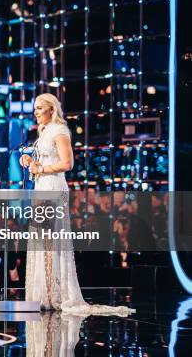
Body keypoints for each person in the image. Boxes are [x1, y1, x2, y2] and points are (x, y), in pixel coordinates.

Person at [19, 93, 133, 315]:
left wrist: (40, 168)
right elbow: (45, 163)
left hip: (53, 188)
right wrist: (32, 163)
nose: (35, 113)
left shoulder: (59, 131)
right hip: (42, 187)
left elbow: (67, 163)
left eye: (39, 108)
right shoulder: (43, 133)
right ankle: (45, 293)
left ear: (51, 109)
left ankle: (54, 294)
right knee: (44, 242)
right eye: (35, 108)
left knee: (51, 241)